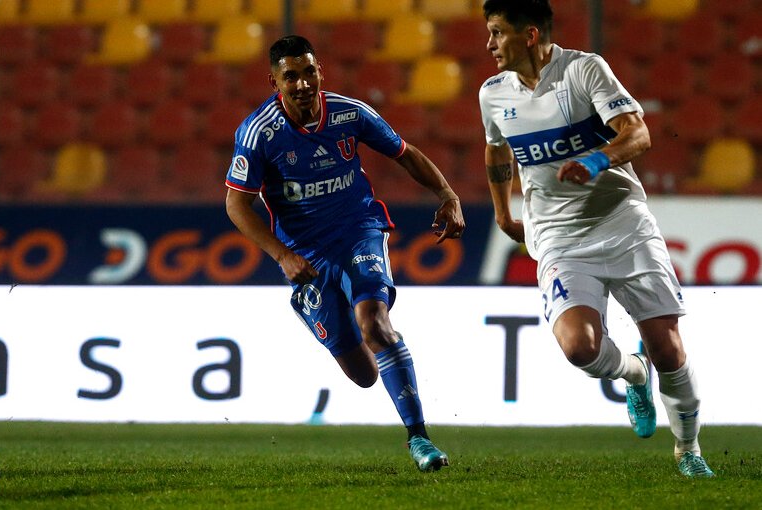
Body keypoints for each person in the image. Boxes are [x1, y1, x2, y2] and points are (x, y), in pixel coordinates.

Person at [476, 0, 713, 478]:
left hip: (621, 221)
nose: (489, 44)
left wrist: (596, 159)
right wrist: (503, 213)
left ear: (529, 36)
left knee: (668, 347)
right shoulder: (492, 93)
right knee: (579, 348)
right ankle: (633, 373)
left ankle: (688, 449)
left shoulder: (584, 71)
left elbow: (638, 134)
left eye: (498, 33)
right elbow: (496, 148)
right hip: (557, 235)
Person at [225, 35, 465, 472]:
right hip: (306, 255)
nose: (302, 84)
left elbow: (404, 153)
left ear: (320, 72)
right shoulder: (259, 133)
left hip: (359, 231)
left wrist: (446, 193)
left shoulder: (350, 113)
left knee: (374, 321)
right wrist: (282, 256)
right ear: (274, 80)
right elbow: (236, 203)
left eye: (308, 72)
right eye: (290, 76)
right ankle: (341, 323)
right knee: (364, 375)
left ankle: (420, 439)